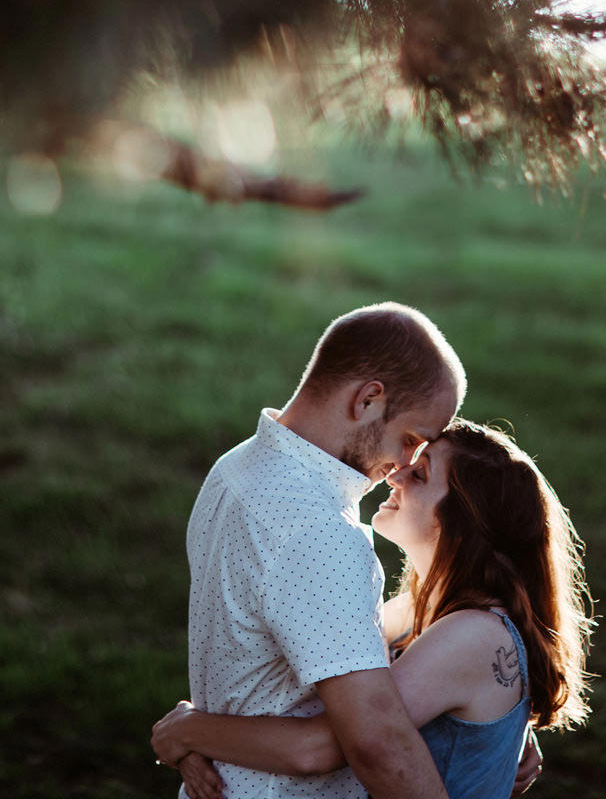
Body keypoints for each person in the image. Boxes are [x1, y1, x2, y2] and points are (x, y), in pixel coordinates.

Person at [155, 416, 592, 799]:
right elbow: (287, 683)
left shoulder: (473, 635)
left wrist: (186, 731)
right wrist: (197, 736)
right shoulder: (417, 614)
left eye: (419, 475)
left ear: (465, 520)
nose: (394, 477)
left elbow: (320, 747)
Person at [167, 302, 470, 799]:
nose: (404, 466)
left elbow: (302, 635)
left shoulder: (237, 468)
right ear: (368, 398)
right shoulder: (316, 530)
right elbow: (376, 743)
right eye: (411, 439)